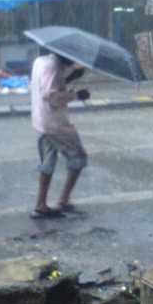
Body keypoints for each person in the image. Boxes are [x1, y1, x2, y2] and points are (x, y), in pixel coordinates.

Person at [30, 51, 90, 219]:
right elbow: (53, 97)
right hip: (56, 124)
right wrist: (77, 95)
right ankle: (63, 200)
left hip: (42, 120)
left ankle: (40, 205)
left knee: (48, 162)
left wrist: (70, 77)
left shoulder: (40, 61)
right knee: (78, 157)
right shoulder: (53, 66)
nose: (73, 60)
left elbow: (49, 86)